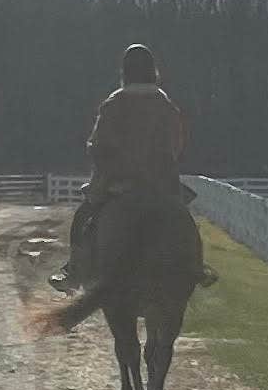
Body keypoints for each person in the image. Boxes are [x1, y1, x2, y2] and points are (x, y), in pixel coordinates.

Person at [67, 43, 188, 281]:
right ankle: (197, 267)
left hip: (119, 181)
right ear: (153, 70)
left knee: (82, 219)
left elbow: (98, 144)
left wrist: (101, 158)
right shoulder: (165, 103)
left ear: (125, 71)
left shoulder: (114, 103)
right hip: (160, 182)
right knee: (183, 221)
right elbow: (177, 142)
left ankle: (74, 270)